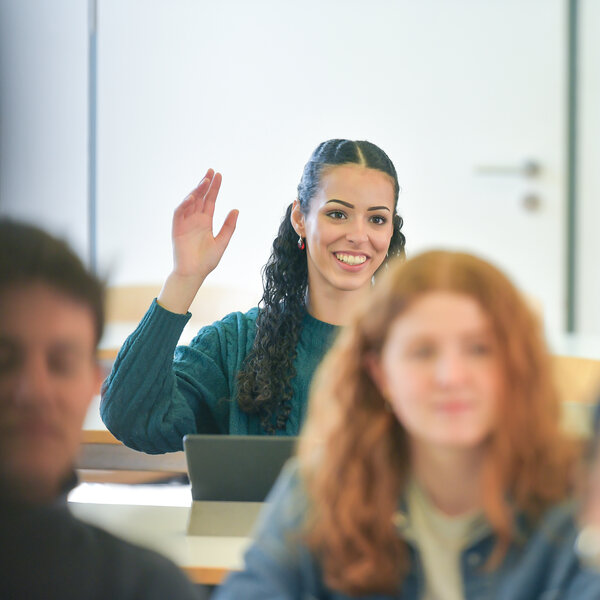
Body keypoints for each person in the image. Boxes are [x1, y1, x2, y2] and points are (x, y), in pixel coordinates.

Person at [215, 250, 600, 600]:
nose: (451, 377)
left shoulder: (573, 493)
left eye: (479, 349)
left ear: (515, 366)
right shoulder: (323, 486)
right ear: (380, 372)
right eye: (422, 352)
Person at [101, 139, 406, 453]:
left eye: (377, 219)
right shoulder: (236, 344)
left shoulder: (414, 347)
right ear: (300, 218)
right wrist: (184, 278)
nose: (358, 235)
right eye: (338, 214)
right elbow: (130, 416)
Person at [0, 219, 204, 599]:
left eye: (61, 363)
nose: (34, 392)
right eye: (4, 360)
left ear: (92, 382)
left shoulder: (148, 588)